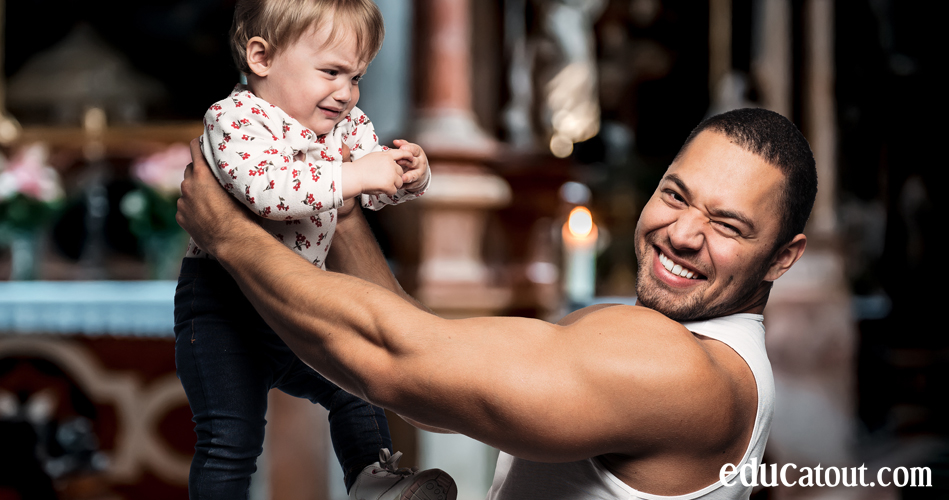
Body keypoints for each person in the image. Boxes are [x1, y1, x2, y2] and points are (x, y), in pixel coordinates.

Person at [176, 108, 817, 500]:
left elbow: (395, 359)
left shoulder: (679, 369)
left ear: (783, 257)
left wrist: (230, 235)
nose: (682, 233)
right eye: (676, 196)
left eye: (728, 226)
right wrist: (339, 207)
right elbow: (433, 390)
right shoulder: (668, 341)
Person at [173, 0, 453, 499]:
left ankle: (372, 482)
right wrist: (355, 174)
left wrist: (410, 174)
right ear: (261, 57)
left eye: (357, 77)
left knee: (359, 380)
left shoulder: (344, 126)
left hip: (298, 295)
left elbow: (375, 186)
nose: (346, 93)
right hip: (223, 306)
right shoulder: (235, 118)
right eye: (331, 72)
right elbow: (269, 191)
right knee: (230, 439)